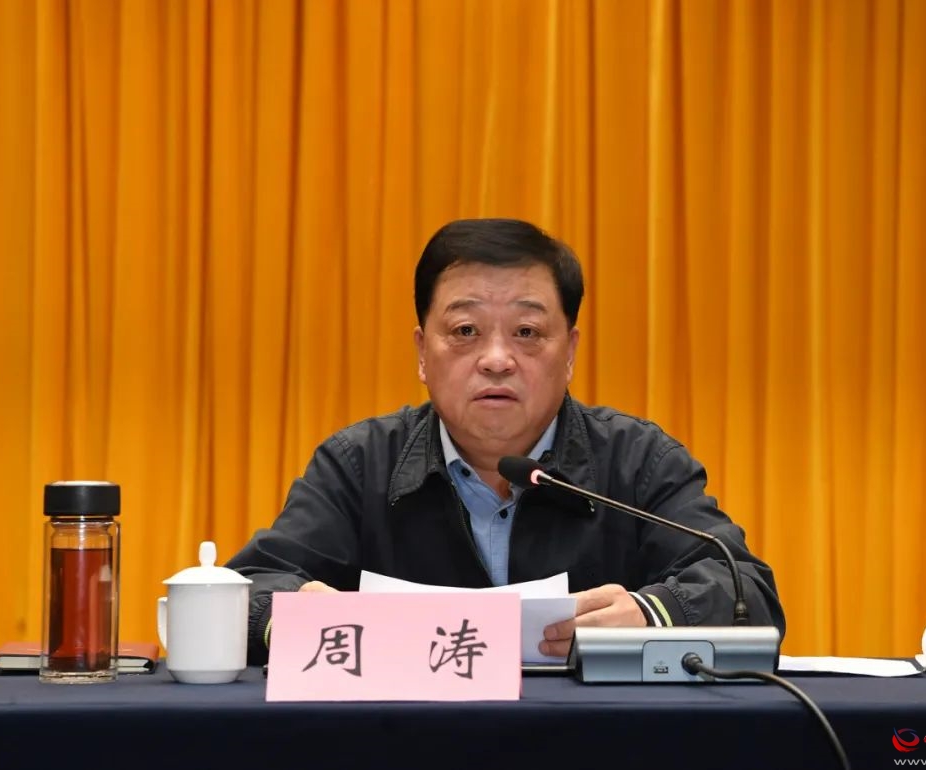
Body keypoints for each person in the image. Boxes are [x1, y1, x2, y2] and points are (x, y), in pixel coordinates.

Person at [225, 217, 785, 664]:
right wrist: (296, 612)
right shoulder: (360, 464)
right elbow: (245, 589)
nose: (496, 359)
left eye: (527, 332)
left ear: (569, 352)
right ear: (422, 352)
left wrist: (653, 614)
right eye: (465, 331)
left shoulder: (637, 461)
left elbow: (746, 592)